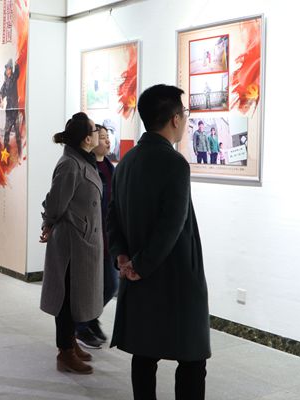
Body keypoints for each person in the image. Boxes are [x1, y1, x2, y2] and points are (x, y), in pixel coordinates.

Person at [107, 84, 210, 400]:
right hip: (175, 278)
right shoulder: (174, 163)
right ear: (175, 119)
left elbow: (112, 216)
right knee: (191, 358)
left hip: (138, 275)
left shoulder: (126, 162)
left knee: (144, 353)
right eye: (184, 114)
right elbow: (172, 225)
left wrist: (122, 257)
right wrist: (141, 264)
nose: (185, 120)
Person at [40, 112, 103, 375]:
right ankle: (65, 351)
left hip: (82, 240)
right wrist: (48, 222)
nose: (99, 134)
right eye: (95, 130)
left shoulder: (82, 160)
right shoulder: (70, 165)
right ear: (87, 139)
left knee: (76, 296)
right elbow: (56, 202)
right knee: (66, 297)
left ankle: (71, 342)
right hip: (71, 243)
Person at [74, 124, 117, 349]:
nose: (107, 141)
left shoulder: (110, 168)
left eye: (108, 137)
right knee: (91, 285)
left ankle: (89, 319)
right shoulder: (85, 168)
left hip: (108, 237)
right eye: (102, 137)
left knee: (110, 285)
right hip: (90, 236)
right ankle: (81, 326)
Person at [0, 59, 21, 157]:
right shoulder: (5, 82)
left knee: (17, 133)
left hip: (15, 109)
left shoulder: (13, 77)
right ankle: (5, 154)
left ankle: (20, 153)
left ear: (10, 69)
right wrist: (1, 99)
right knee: (6, 132)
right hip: (9, 110)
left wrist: (16, 65)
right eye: (6, 69)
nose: (7, 70)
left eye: (8, 68)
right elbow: (1, 91)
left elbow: (17, 73)